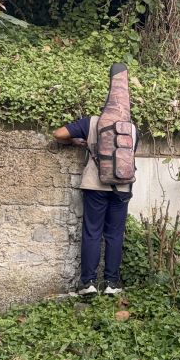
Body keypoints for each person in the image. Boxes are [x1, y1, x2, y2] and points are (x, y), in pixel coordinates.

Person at [52, 116, 137, 296]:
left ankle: (88, 283)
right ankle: (111, 284)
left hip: (95, 185)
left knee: (92, 232)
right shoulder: (132, 127)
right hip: (122, 186)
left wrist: (74, 141)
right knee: (115, 235)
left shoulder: (92, 122)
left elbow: (58, 134)